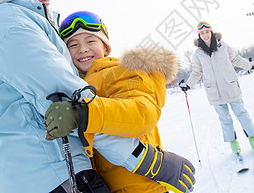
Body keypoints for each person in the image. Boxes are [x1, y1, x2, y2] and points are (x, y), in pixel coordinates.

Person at [0, 0, 194, 193]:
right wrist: (148, 160)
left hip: (55, 172)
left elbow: (135, 110)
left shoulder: (18, 22)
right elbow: (71, 104)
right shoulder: (10, 27)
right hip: (53, 174)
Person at [44, 10, 195, 193]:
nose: (82, 49)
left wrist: (83, 112)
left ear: (106, 47)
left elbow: (141, 114)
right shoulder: (76, 86)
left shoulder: (119, 71)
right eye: (73, 45)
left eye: (90, 41)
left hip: (140, 186)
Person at [178, 21, 254, 155]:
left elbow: (237, 59)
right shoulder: (198, 54)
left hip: (231, 86)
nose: (205, 35)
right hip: (214, 92)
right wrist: (188, 85)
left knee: (242, 113)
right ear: (199, 35)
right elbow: (196, 72)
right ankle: (234, 145)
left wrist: (250, 65)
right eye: (202, 33)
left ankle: (253, 139)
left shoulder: (224, 46)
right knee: (225, 119)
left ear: (212, 32)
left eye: (207, 32)